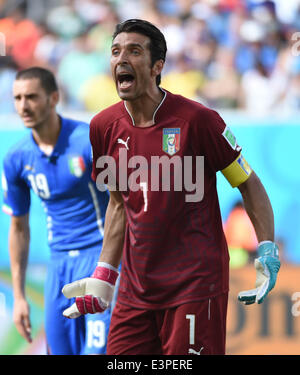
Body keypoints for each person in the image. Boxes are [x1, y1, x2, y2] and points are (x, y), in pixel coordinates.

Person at [62, 19, 280, 355]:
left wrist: (267, 247)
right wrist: (105, 273)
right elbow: (119, 206)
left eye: (134, 51)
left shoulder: (199, 121)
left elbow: (248, 184)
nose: (121, 59)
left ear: (157, 66)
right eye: (116, 51)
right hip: (136, 290)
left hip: (194, 285)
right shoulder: (102, 127)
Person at [1, 67, 116, 355]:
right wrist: (19, 296)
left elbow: (123, 203)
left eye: (32, 97)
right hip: (58, 266)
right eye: (17, 98)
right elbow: (18, 227)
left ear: (54, 98)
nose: (24, 106)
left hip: (98, 259)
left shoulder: (88, 140)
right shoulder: (17, 158)